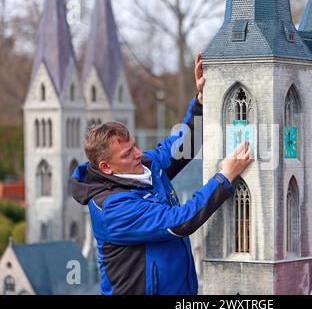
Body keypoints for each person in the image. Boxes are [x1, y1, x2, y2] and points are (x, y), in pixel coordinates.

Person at [71, 53, 253, 295]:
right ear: (106, 167)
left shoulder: (143, 165)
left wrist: (202, 99)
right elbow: (181, 221)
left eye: (134, 146)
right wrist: (225, 176)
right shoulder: (113, 208)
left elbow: (182, 144)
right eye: (127, 154)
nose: (138, 154)